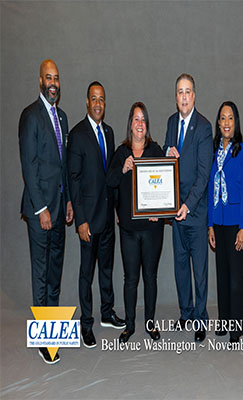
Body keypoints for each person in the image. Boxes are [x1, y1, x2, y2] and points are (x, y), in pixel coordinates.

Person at [18, 59, 73, 364]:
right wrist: (41, 209)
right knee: (41, 276)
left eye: (56, 78)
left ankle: (52, 332)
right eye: (48, 78)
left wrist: (66, 202)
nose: (53, 83)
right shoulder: (30, 116)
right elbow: (29, 166)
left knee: (55, 274)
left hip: (58, 207)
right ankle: (44, 342)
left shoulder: (61, 117)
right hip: (40, 211)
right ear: (40, 81)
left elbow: (61, 165)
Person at [67, 81, 125, 349]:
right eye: (94, 99)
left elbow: (110, 175)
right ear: (87, 103)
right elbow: (73, 179)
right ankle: (86, 323)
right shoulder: (77, 134)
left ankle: (107, 313)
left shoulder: (110, 133)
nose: (99, 103)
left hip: (107, 216)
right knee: (86, 272)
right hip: (88, 220)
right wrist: (80, 220)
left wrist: (115, 208)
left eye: (102, 99)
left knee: (107, 269)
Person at [108, 102, 164, 343]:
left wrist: (160, 211)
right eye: (135, 119)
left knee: (150, 277)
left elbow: (166, 187)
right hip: (129, 229)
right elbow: (109, 183)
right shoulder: (121, 152)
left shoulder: (156, 150)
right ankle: (129, 325)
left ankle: (150, 324)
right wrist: (122, 169)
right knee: (130, 279)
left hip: (152, 228)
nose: (139, 124)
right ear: (130, 124)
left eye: (143, 119)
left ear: (146, 125)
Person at [164, 73, 213, 342]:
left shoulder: (204, 127)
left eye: (188, 92)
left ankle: (200, 318)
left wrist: (187, 205)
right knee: (181, 266)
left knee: (199, 269)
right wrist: (166, 150)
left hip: (194, 212)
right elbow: (166, 155)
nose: (184, 97)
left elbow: (204, 175)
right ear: (176, 97)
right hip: (174, 212)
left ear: (194, 95)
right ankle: (186, 313)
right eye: (179, 92)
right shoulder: (172, 122)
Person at [208, 101, 243, 343]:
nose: (226, 123)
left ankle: (236, 326)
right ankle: (224, 321)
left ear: (236, 123)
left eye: (230, 118)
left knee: (236, 278)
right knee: (222, 276)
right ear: (218, 123)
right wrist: (210, 225)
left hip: (236, 223)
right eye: (223, 118)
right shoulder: (214, 152)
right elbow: (208, 189)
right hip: (218, 221)